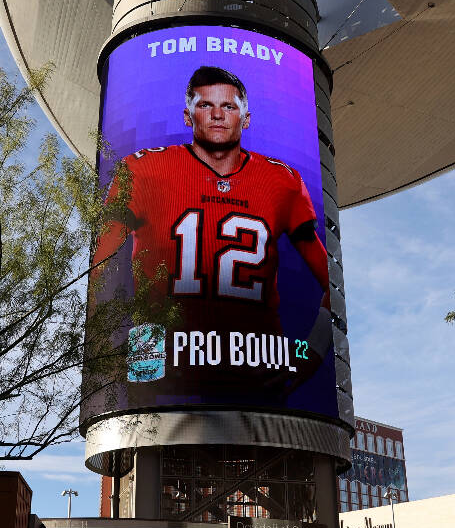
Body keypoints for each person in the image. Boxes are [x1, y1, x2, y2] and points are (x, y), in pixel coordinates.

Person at [92, 65, 331, 403]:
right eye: (206, 105)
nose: (218, 115)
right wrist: (106, 355)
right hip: (158, 368)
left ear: (246, 118)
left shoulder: (282, 180)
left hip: (255, 370)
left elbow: (331, 284)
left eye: (229, 106)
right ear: (188, 116)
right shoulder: (143, 169)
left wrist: (311, 354)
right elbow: (98, 269)